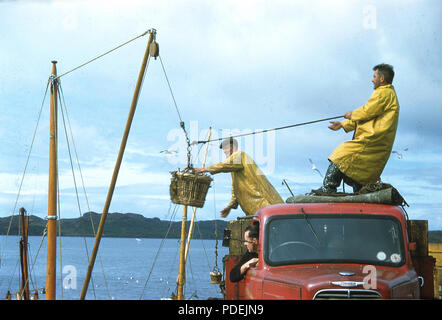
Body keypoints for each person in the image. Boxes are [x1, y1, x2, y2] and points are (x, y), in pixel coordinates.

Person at [313, 63, 400, 194]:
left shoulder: (384, 93)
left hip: (371, 141)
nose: (372, 79)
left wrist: (351, 114)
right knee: (360, 171)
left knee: (341, 154)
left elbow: (367, 111)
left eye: (374, 76)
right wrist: (343, 124)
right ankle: (358, 192)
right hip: (375, 144)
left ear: (382, 79)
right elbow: (367, 117)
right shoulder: (387, 94)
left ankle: (328, 188)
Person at [194, 137, 283, 217]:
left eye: (225, 148)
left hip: (265, 204)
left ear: (231, 147)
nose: (224, 151)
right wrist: (230, 206)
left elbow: (223, 165)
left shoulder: (239, 155)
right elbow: (236, 188)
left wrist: (206, 169)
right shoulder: (235, 167)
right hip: (257, 210)